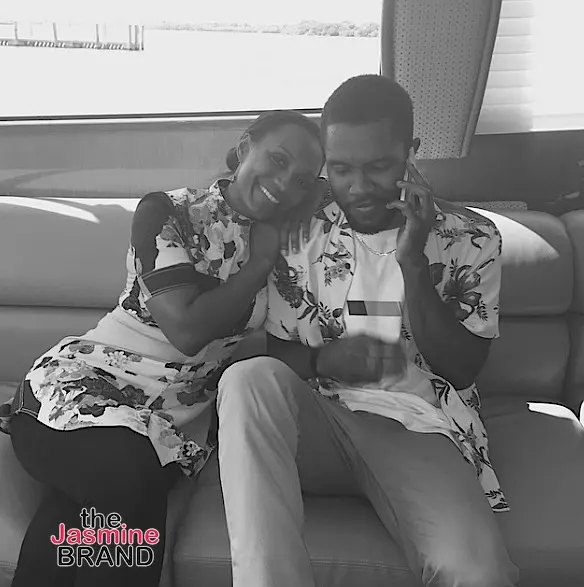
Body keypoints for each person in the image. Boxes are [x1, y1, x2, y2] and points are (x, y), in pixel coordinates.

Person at [217, 75, 520, 587]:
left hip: (419, 427)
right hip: (319, 424)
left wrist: (413, 261)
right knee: (246, 379)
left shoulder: (472, 238)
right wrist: (324, 361)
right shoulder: (300, 232)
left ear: (410, 153)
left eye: (378, 167)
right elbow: (278, 356)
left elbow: (462, 369)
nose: (358, 187)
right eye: (340, 169)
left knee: (477, 573)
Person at [0, 110, 325, 587]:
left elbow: (355, 193)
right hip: (81, 392)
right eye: (277, 160)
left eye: (300, 181)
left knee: (87, 518)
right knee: (128, 487)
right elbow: (186, 330)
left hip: (167, 428)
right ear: (245, 145)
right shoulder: (168, 212)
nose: (283, 183)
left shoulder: (293, 243)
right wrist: (258, 265)